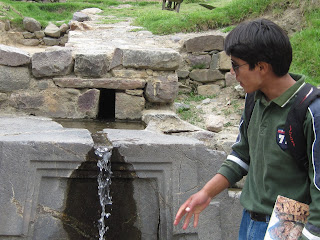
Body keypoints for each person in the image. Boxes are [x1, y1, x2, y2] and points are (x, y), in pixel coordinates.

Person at [174, 18, 320, 240]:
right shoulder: (254, 100)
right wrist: (206, 193)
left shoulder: (310, 112)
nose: (233, 73)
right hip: (249, 222)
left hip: (289, 227)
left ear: (261, 67)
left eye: (236, 65)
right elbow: (242, 155)